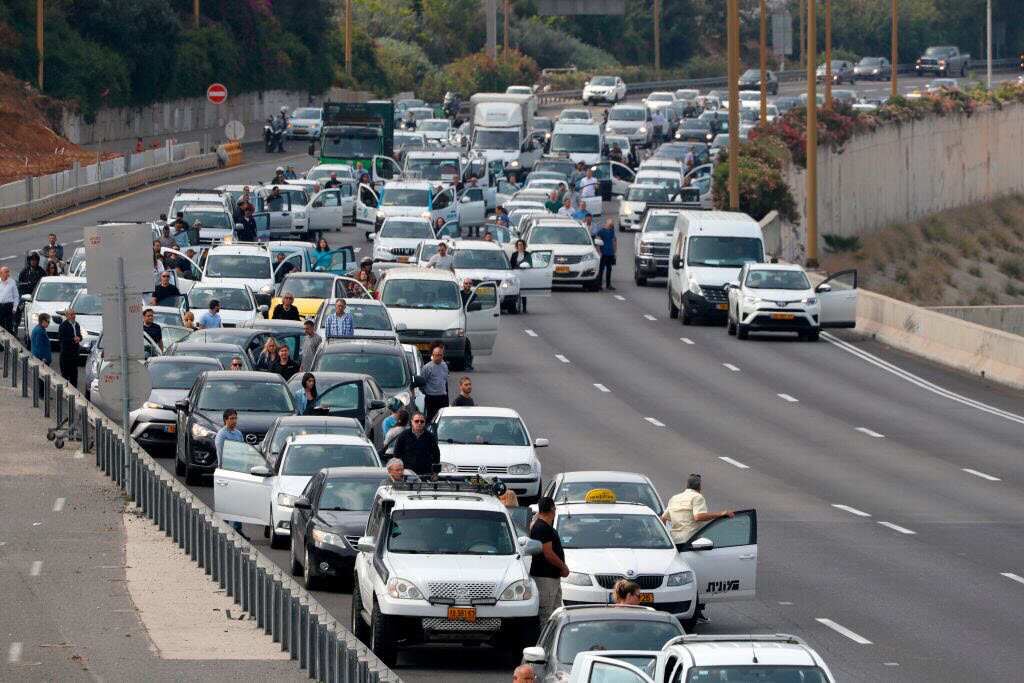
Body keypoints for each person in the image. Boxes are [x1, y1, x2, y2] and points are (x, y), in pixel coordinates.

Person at [661, 473, 734, 550]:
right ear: (699, 486)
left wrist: (664, 537)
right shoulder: (697, 497)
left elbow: (663, 519)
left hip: (674, 541)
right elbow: (698, 516)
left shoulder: (674, 498)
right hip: (690, 541)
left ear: (687, 485)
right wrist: (721, 513)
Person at [529, 497, 570, 625]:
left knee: (556, 612)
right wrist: (563, 567)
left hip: (552, 577)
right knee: (546, 615)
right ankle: (544, 643)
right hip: (545, 578)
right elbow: (548, 553)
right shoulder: (542, 528)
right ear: (552, 510)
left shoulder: (541, 525)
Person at [215, 408, 246, 534]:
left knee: (238, 501)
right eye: (231, 418)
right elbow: (221, 453)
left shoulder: (238, 434)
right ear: (225, 420)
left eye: (235, 418)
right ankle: (225, 529)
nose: (234, 421)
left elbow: (242, 451)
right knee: (226, 501)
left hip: (238, 471)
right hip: (226, 471)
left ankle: (238, 529)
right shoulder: (222, 435)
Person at [393, 412, 441, 477]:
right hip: (407, 474)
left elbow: (436, 456)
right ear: (412, 422)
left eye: (422, 421)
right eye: (416, 421)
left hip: (426, 474)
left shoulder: (430, 437)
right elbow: (396, 455)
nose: (419, 423)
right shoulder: (403, 436)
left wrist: (435, 473)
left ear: (424, 423)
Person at [421, 344, 450, 422]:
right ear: (432, 355)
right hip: (431, 398)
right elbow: (422, 383)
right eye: (436, 355)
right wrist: (427, 392)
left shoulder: (444, 366)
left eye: (440, 355)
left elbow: (445, 381)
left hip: (443, 397)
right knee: (432, 419)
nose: (438, 357)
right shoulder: (427, 367)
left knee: (443, 419)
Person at [58, 307, 82, 386]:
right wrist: (73, 339)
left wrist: (79, 338)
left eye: (74, 314)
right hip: (66, 355)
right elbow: (62, 339)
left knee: (74, 377)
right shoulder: (63, 326)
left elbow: (79, 335)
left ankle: (74, 395)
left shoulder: (77, 325)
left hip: (75, 355)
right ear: (67, 316)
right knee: (65, 377)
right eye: (71, 314)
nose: (73, 316)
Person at [595, 219, 617, 291]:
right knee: (601, 269)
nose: (611, 226)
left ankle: (608, 284)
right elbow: (598, 242)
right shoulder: (601, 231)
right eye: (610, 224)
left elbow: (614, 240)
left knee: (609, 269)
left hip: (610, 253)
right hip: (603, 253)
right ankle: (599, 284)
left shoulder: (612, 231)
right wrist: (599, 252)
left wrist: (614, 251)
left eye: (612, 224)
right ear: (606, 224)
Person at [510, 240, 531, 313]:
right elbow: (511, 265)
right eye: (519, 245)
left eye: (521, 245)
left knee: (524, 291)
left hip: (525, 274)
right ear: (516, 246)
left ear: (524, 246)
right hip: (516, 273)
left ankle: (524, 308)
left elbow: (530, 264)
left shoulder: (527, 254)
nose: (520, 246)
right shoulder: (514, 254)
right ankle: (514, 307)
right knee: (515, 290)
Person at [0, 266, 19, 334]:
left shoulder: (12, 282)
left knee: (9, 327)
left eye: (8, 272)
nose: (8, 274)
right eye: (6, 272)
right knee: (1, 327)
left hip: (9, 306)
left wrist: (14, 308)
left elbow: (16, 296)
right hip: (0, 307)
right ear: (1, 273)